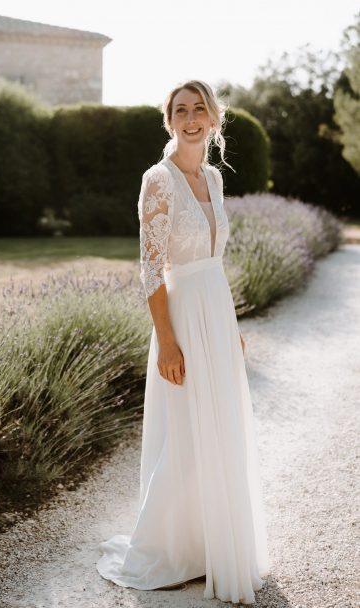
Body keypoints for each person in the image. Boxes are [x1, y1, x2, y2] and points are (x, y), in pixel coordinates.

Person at [96, 79, 271, 605]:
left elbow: (214, 264)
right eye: (181, 110)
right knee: (185, 439)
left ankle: (206, 547)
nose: (191, 118)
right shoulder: (159, 180)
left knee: (218, 432)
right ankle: (165, 548)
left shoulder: (215, 178)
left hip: (215, 315)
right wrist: (167, 343)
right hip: (180, 322)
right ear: (169, 120)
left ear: (214, 118)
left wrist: (232, 325)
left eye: (199, 109)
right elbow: (151, 270)